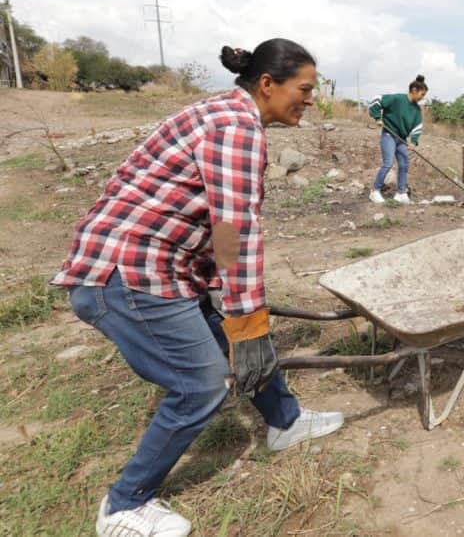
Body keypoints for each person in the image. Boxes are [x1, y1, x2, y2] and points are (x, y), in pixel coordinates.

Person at [52, 39, 345, 537]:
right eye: (305, 88)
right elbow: (235, 228)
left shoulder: (225, 113)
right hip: (128, 276)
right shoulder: (236, 128)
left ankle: (284, 422)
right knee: (201, 383)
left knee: (237, 330)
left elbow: (212, 224)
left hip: (161, 267)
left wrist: (227, 300)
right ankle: (124, 506)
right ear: (268, 85)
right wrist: (247, 317)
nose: (311, 99)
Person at [368, 74, 428, 204]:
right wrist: (377, 117)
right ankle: (375, 191)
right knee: (388, 163)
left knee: (404, 164)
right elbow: (376, 100)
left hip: (401, 139)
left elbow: (417, 126)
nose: (423, 97)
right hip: (389, 135)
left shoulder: (417, 110)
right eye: (422, 94)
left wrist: (413, 141)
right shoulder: (397, 99)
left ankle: (401, 193)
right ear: (414, 90)